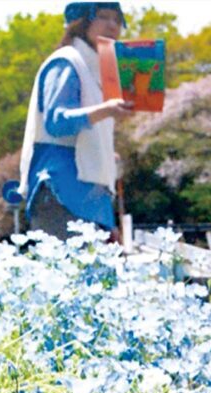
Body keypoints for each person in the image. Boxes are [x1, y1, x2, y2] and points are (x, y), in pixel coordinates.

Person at [18, 2, 133, 239]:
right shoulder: (66, 61)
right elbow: (57, 121)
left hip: (91, 198)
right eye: (103, 16)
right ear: (81, 22)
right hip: (60, 189)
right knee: (66, 276)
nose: (112, 25)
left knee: (99, 276)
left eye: (117, 19)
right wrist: (107, 109)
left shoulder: (100, 72)